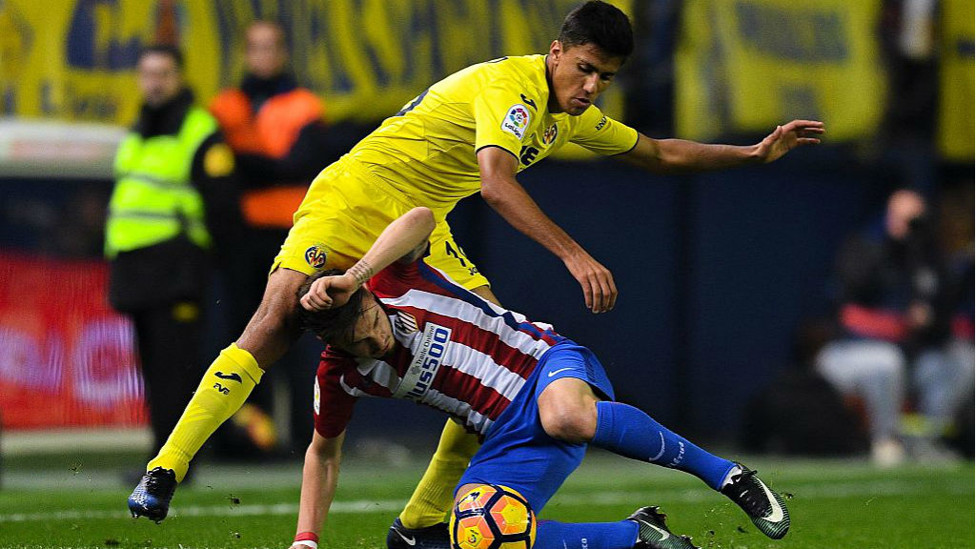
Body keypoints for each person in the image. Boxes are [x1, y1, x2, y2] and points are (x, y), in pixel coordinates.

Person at [127, 1, 823, 535]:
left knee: (493, 347)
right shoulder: (511, 88)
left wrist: (752, 155)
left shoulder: (567, 113)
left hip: (425, 220)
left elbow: (656, 152)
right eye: (583, 68)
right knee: (275, 320)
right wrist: (575, 253)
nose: (591, 87)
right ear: (556, 52)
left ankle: (429, 512)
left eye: (604, 78)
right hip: (354, 197)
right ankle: (167, 467)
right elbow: (494, 180)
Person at [285, 207, 790, 549]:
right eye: (359, 345)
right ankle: (635, 537)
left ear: (369, 297)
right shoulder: (341, 375)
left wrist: (354, 274)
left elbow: (421, 218)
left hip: (545, 363)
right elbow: (322, 453)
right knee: (477, 535)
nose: (374, 343)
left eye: (371, 326)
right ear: (333, 346)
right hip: (505, 435)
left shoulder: (391, 279)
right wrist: (306, 540)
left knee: (567, 415)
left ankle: (727, 475)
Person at [106, 45, 240, 473]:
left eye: (163, 73)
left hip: (177, 264)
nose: (154, 82)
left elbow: (222, 204)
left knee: (175, 368)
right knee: (153, 369)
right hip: (136, 265)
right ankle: (161, 458)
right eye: (147, 73)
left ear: (180, 76)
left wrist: (212, 260)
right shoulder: (140, 129)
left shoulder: (199, 129)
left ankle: (177, 462)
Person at [209, 19, 331, 455]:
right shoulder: (225, 106)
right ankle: (249, 440)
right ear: (246, 53)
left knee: (297, 338)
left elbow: (295, 166)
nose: (263, 56)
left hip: (291, 234)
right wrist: (260, 162)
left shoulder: (303, 106)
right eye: (255, 47)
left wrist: (243, 155)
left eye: (271, 47)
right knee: (246, 336)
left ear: (282, 53)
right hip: (242, 238)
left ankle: (305, 438)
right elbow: (218, 171)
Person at [817, 189, 974, 466]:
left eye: (914, 219)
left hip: (911, 357)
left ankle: (925, 440)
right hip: (848, 354)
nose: (907, 226)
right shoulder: (865, 249)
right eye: (900, 217)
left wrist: (930, 320)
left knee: (963, 359)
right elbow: (849, 316)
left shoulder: (928, 260)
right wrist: (903, 323)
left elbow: (945, 319)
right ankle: (886, 440)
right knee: (887, 361)